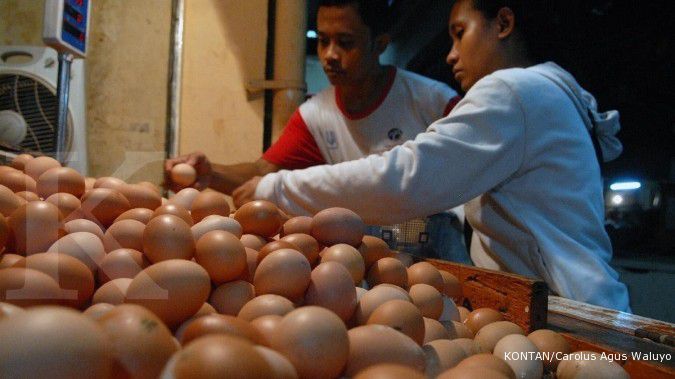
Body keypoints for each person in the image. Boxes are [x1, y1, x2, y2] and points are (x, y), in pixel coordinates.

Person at [234, 0, 631, 311]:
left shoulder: (512, 92)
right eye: (322, 41)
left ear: (503, 24)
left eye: (460, 34)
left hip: (569, 307)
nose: (451, 55)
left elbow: (406, 179)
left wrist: (275, 189)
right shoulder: (547, 93)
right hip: (557, 300)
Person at [166, 0, 467, 260]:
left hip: (431, 243)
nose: (329, 55)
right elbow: (263, 170)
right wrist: (211, 173)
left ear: (380, 44)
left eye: (345, 42)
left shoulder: (434, 102)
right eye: (323, 40)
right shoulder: (316, 116)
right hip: (363, 249)